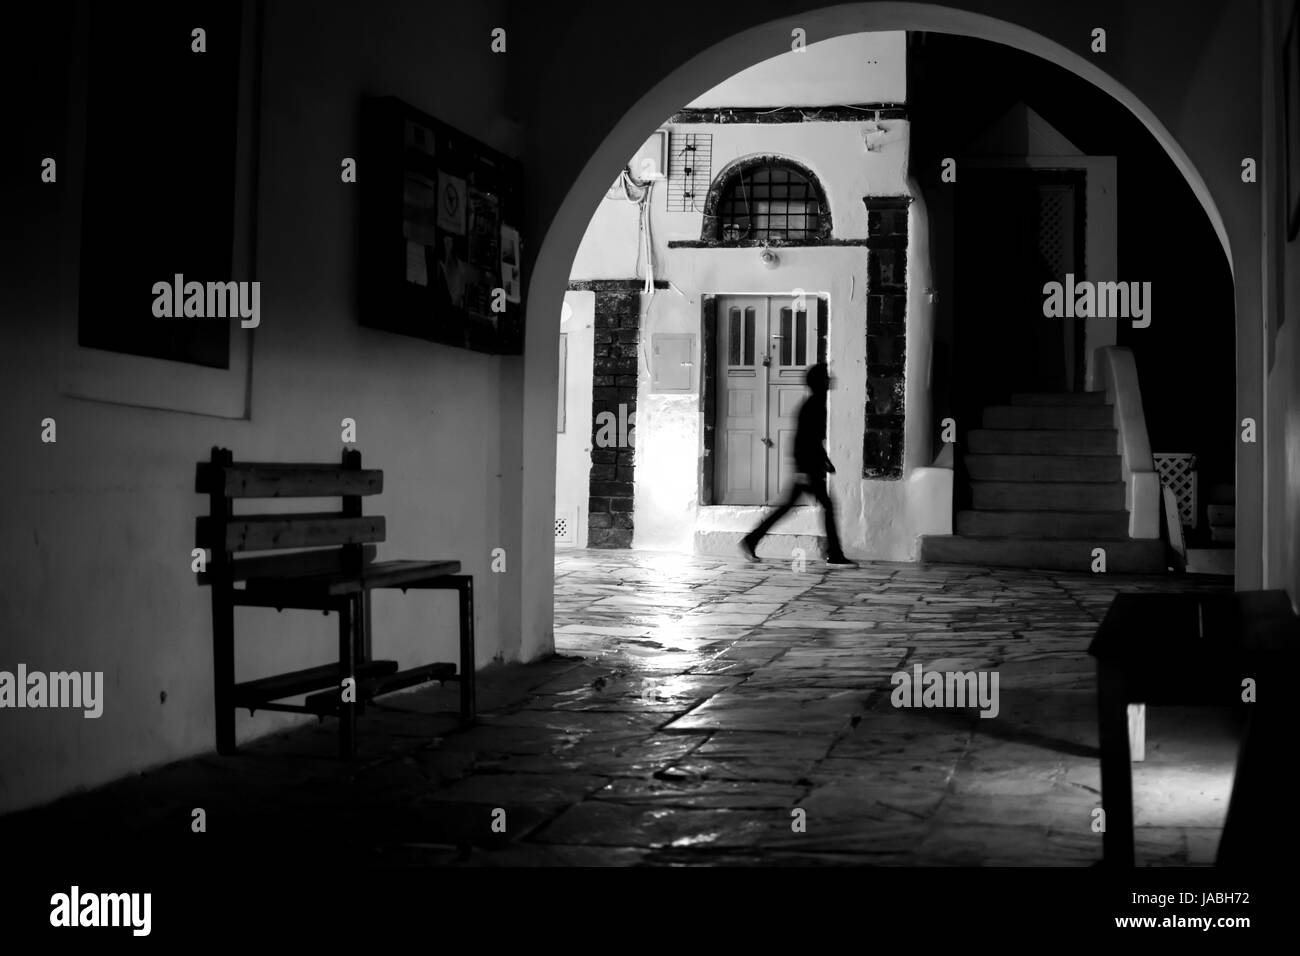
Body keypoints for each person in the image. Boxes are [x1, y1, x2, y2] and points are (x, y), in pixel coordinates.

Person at [741, 363, 858, 568]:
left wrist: (825, 461)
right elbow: (803, 440)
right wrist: (803, 469)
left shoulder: (816, 403)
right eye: (826, 377)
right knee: (826, 507)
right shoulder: (813, 405)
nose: (830, 380)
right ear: (820, 382)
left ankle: (751, 540)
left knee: (789, 508)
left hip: (810, 467)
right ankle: (834, 553)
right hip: (807, 469)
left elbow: (812, 440)